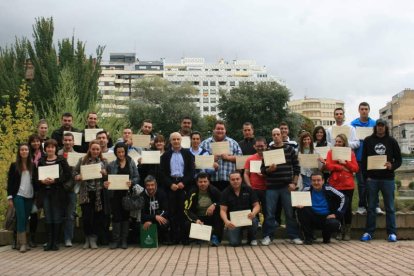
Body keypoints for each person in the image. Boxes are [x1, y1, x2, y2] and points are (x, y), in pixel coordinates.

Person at [360, 119, 402, 242]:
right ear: (375, 127)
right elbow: (363, 161)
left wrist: (392, 166)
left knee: (390, 207)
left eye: (382, 126)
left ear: (386, 127)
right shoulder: (368, 140)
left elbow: (399, 160)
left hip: (387, 179)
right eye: (378, 126)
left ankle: (392, 233)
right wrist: (366, 176)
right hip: (372, 179)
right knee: (371, 207)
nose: (380, 128)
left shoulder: (392, 141)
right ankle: (369, 232)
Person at [261, 128, 303, 246]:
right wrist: (270, 169)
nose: (276, 136)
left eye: (278, 134)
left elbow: (297, 168)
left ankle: (293, 236)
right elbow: (263, 170)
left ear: (281, 135)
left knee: (289, 213)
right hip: (272, 187)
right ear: (272, 136)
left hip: (286, 186)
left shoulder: (289, 149)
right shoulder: (268, 151)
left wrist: (294, 183)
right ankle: (268, 236)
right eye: (274, 134)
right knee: (269, 213)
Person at [35, 139, 71, 251]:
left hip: (57, 192)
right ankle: (49, 241)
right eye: (48, 147)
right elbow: (36, 177)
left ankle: (55, 242)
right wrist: (42, 181)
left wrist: (55, 180)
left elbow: (67, 175)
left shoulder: (61, 160)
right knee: (48, 216)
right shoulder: (41, 161)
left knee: (56, 216)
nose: (50, 149)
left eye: (52, 147)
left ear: (56, 149)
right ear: (45, 149)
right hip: (45, 192)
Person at [104, 142, 141, 249]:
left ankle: (124, 240)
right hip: (115, 194)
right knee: (116, 216)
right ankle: (116, 240)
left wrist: (132, 182)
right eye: (118, 152)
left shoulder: (131, 163)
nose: (121, 154)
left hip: (127, 194)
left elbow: (137, 177)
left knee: (125, 217)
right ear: (115, 153)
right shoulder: (111, 165)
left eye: (122, 152)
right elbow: (106, 179)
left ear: (125, 152)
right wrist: (106, 182)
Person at [160, 132, 195, 244]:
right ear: (170, 141)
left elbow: (191, 172)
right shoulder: (165, 156)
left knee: (183, 212)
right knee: (172, 212)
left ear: (181, 141)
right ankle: (174, 238)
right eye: (173, 139)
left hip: (183, 186)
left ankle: (184, 238)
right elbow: (162, 173)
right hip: (171, 187)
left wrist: (183, 183)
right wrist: (170, 184)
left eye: (178, 139)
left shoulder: (188, 154)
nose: (176, 141)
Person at [350, 102, 384, 215]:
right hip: (359, 159)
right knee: (361, 184)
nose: (364, 111)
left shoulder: (374, 123)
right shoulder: (353, 124)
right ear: (359, 110)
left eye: (366, 109)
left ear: (369, 110)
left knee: (374, 183)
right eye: (362, 109)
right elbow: (350, 141)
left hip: (373, 158)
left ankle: (376, 206)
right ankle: (361, 206)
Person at [74, 140, 108, 249]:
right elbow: (74, 173)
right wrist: (78, 177)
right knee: (86, 217)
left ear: (100, 150)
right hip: (86, 193)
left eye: (97, 149)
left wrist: (105, 174)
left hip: (98, 193)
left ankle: (94, 239)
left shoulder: (104, 161)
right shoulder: (82, 160)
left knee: (97, 217)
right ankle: (87, 238)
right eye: (93, 149)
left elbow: (108, 177)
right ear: (89, 149)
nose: (95, 151)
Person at [325, 134, 359, 241]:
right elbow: (328, 166)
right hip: (335, 184)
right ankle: (338, 229)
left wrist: (346, 163)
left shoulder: (350, 153)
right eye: (336, 141)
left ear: (344, 142)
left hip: (347, 184)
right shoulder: (331, 152)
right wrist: (340, 167)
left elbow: (355, 168)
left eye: (340, 142)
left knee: (347, 208)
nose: (338, 143)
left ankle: (347, 230)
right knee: (336, 207)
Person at [297, 172, 346, 244]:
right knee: (302, 210)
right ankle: (308, 238)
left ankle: (326, 237)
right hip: (312, 217)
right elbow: (297, 201)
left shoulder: (329, 189)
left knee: (334, 223)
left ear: (323, 181)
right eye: (314, 180)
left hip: (327, 217)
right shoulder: (306, 189)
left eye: (318, 180)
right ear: (311, 181)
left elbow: (343, 197)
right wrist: (299, 205)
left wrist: (337, 214)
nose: (316, 183)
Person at [7, 144, 37, 253]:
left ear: (29, 152)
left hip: (30, 196)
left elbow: (36, 182)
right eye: (22, 150)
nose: (24, 151)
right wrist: (10, 198)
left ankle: (22, 241)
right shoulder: (14, 166)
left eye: (26, 149)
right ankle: (23, 244)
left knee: (25, 219)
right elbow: (10, 182)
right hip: (18, 195)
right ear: (19, 152)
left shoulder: (33, 166)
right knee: (21, 217)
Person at [220, 171, 260, 246]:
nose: (235, 181)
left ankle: (251, 238)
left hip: (248, 218)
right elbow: (222, 210)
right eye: (233, 179)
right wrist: (226, 221)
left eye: (237, 179)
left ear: (241, 179)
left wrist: (253, 213)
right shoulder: (225, 192)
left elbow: (257, 205)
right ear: (229, 180)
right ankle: (238, 235)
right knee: (234, 243)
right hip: (234, 222)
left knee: (254, 221)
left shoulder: (249, 190)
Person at [200, 120, 242, 191]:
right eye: (218, 129)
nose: (220, 131)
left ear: (225, 130)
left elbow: (241, 160)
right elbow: (198, 161)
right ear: (213, 130)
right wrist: (211, 159)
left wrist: (228, 158)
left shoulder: (233, 143)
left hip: (229, 180)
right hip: (210, 181)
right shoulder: (204, 143)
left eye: (222, 129)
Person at [184, 172, 222, 246]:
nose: (203, 184)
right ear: (197, 183)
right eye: (200, 182)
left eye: (205, 181)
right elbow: (187, 209)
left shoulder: (215, 190)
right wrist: (196, 219)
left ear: (209, 182)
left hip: (210, 217)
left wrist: (214, 205)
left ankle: (215, 237)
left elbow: (223, 202)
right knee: (186, 223)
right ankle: (194, 237)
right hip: (198, 218)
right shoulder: (192, 192)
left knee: (219, 214)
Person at [57, 132, 78, 247]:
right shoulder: (57, 153)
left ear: (73, 142)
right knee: (58, 214)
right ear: (62, 141)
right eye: (66, 140)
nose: (68, 142)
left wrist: (69, 185)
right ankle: (57, 238)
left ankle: (68, 238)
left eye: (70, 140)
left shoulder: (77, 156)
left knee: (70, 215)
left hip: (71, 189)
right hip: (58, 189)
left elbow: (77, 172)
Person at [141, 175, 171, 245]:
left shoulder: (162, 193)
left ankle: (163, 238)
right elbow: (141, 214)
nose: (150, 187)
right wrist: (153, 217)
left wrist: (153, 219)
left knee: (165, 222)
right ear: (145, 186)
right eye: (148, 185)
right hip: (146, 220)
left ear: (156, 185)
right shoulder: (141, 196)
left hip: (157, 220)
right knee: (136, 225)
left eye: (152, 185)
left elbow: (166, 210)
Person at [243, 137, 267, 223]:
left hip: (267, 189)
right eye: (258, 146)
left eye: (262, 146)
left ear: (266, 146)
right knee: (254, 211)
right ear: (254, 147)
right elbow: (245, 173)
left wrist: (265, 174)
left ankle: (266, 231)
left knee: (267, 211)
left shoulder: (269, 158)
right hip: (254, 189)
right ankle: (256, 229)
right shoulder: (250, 158)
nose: (260, 148)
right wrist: (249, 186)